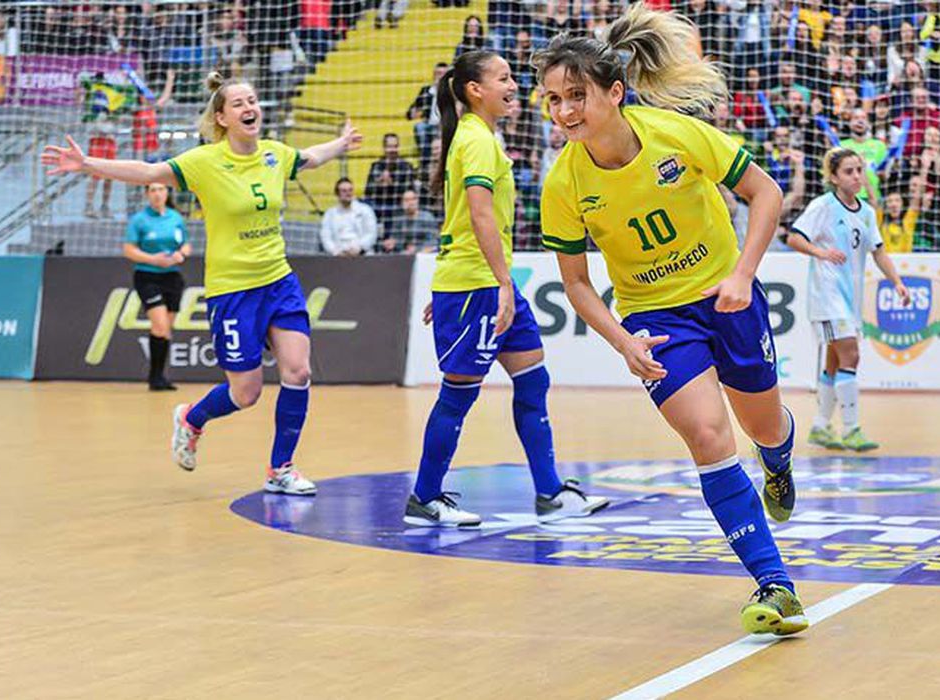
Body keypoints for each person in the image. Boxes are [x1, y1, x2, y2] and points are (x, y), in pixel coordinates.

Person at [536, 4, 807, 636]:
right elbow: (575, 283)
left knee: (762, 426)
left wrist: (741, 274)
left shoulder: (675, 135)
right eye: (552, 100)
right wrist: (623, 339)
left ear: (615, 92)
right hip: (656, 317)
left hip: (726, 298)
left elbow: (765, 193)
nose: (564, 111)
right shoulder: (563, 183)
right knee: (709, 438)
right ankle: (776, 585)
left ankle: (779, 457)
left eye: (576, 95)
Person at [42, 71, 363, 495]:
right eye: (239, 103)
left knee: (298, 371)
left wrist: (341, 143)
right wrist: (88, 165)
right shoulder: (204, 162)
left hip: (278, 281)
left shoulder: (274, 154)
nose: (250, 108)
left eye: (253, 100)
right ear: (222, 117)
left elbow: (311, 158)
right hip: (232, 291)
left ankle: (280, 469)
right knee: (245, 392)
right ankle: (192, 419)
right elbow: (148, 170)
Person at [405, 49, 609, 528]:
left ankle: (550, 493)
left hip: (484, 283)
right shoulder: (475, 141)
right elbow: (476, 215)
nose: (514, 84)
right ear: (475, 90)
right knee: (458, 395)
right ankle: (425, 498)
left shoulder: (481, 138)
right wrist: (498, 284)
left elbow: (460, 217)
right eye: (504, 77)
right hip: (479, 286)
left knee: (533, 379)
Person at [786, 149, 910, 453]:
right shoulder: (823, 206)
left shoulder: (866, 211)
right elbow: (794, 237)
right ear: (834, 177)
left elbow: (878, 250)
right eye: (849, 171)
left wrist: (897, 282)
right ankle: (852, 428)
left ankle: (819, 426)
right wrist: (820, 252)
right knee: (851, 355)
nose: (857, 176)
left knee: (835, 360)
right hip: (827, 296)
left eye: (859, 170)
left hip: (849, 298)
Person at [123, 182, 191, 391]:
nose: (157, 194)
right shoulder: (139, 220)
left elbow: (185, 244)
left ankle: (159, 376)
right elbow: (129, 250)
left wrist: (181, 254)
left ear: (167, 192)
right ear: (147, 194)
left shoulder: (175, 217)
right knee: (160, 326)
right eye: (152, 190)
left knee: (165, 330)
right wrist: (153, 259)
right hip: (147, 276)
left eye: (161, 189)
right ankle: (154, 377)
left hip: (172, 276)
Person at [321, 178, 379, 255]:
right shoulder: (329, 214)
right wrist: (335, 251)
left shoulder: (366, 210)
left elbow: (372, 234)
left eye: (350, 190)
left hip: (362, 254)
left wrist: (359, 248)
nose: (348, 193)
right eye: (344, 191)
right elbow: (326, 237)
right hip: (338, 256)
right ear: (337, 194)